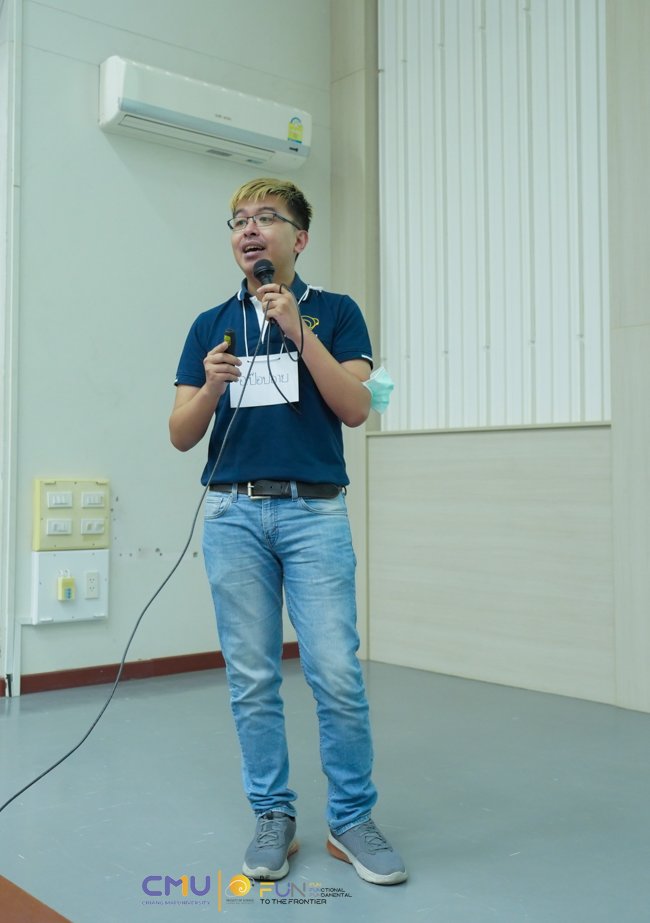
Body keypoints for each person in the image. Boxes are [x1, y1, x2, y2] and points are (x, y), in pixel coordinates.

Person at [169, 178, 407, 886]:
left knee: (336, 670)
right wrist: (211, 387)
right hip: (233, 514)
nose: (249, 229)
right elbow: (180, 433)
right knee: (251, 677)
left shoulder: (337, 312)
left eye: (266, 218)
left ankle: (351, 819)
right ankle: (273, 814)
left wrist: (299, 329)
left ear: (298, 239)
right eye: (238, 220)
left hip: (314, 514)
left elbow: (356, 407)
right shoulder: (210, 324)